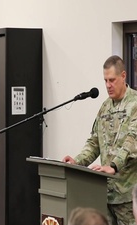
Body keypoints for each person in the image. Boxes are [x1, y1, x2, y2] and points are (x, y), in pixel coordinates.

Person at [62, 55, 137, 225]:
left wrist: (113, 166)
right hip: (105, 193)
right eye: (105, 81)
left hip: (127, 196)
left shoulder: (135, 104)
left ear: (123, 76)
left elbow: (132, 142)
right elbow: (94, 142)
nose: (108, 85)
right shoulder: (105, 107)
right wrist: (77, 161)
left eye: (112, 80)